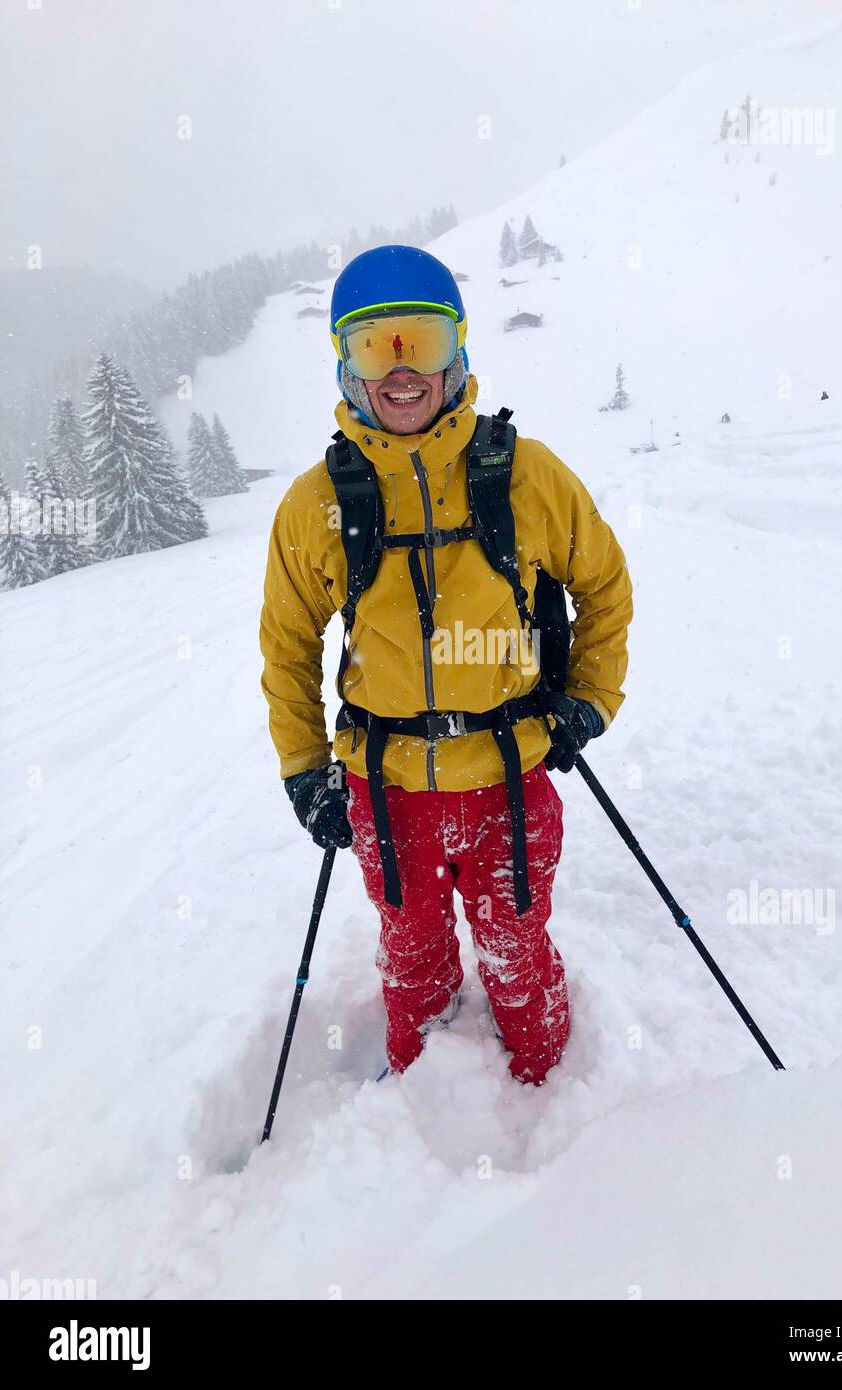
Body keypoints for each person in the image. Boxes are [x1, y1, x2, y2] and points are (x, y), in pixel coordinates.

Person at [260, 244, 632, 1084]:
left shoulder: (525, 476)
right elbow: (287, 648)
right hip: (385, 792)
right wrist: (303, 770)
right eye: (373, 346)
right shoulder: (315, 505)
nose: (401, 372)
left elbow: (603, 588)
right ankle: (418, 1106)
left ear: (457, 351)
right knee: (410, 954)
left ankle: (546, 1095)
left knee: (516, 947)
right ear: (344, 364)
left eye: (420, 344)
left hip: (510, 774)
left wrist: (588, 701)